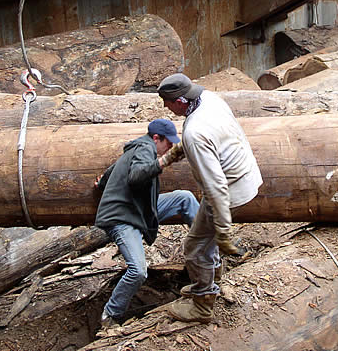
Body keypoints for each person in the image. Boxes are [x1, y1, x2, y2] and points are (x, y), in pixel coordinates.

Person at [157, 73, 263, 324]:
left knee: (195, 247)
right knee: (205, 240)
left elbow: (214, 186)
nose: (165, 107)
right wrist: (167, 159)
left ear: (181, 101)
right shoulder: (208, 100)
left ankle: (203, 305)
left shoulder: (195, 132)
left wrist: (224, 230)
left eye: (167, 102)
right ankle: (211, 282)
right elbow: (203, 139)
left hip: (228, 191)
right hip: (247, 173)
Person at [93, 118, 199, 331]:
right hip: (123, 218)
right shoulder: (145, 148)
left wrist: (101, 183)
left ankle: (209, 244)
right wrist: (162, 162)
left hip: (139, 209)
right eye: (168, 143)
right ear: (156, 138)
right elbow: (135, 176)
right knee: (138, 271)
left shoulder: (134, 151)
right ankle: (109, 316)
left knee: (184, 198)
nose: (169, 148)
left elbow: (111, 173)